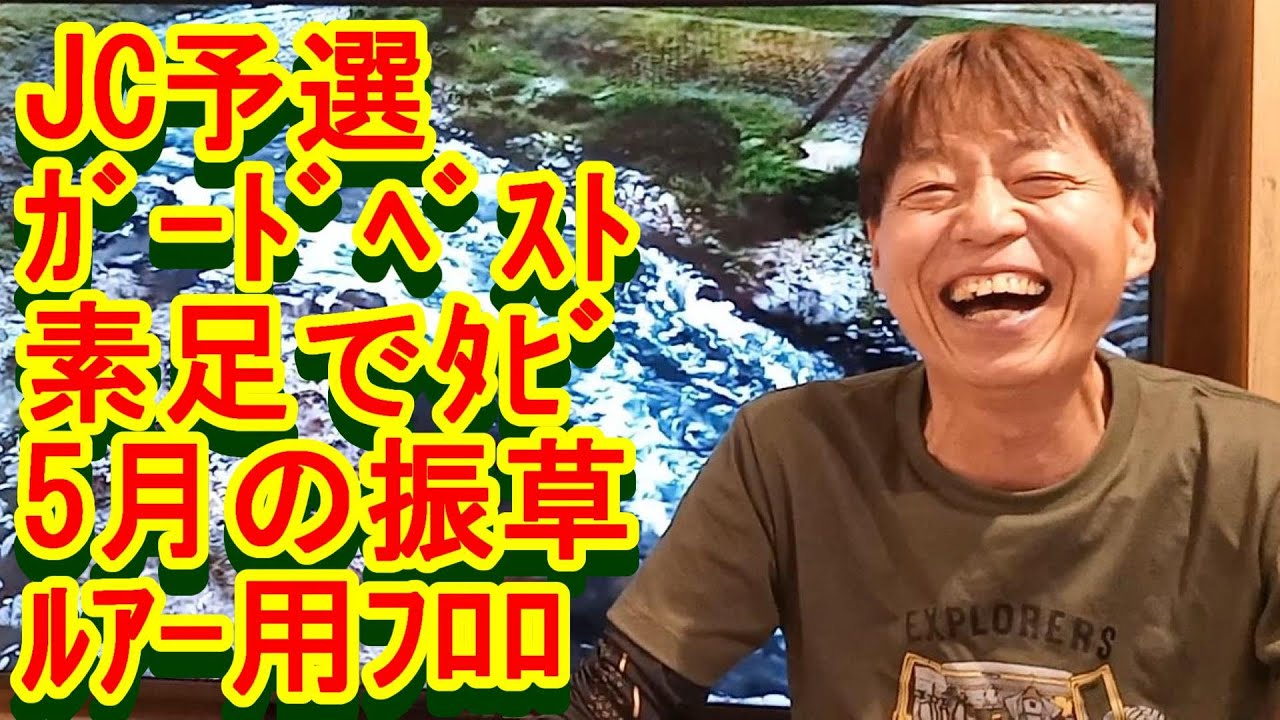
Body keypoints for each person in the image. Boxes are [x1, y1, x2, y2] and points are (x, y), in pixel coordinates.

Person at [554, 23, 1280, 720]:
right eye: (932, 190)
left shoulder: (1255, 472)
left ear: (1138, 229)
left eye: (1042, 179)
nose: (987, 221)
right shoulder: (788, 454)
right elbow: (625, 691)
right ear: (876, 251)